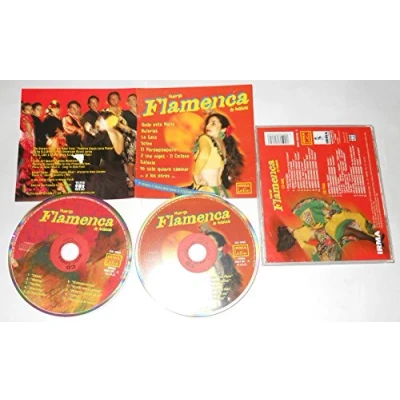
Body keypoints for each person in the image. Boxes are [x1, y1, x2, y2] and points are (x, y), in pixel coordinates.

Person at [276, 197, 381, 261]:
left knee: (349, 231)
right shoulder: (297, 235)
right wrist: (316, 252)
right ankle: (372, 238)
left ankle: (372, 238)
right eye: (286, 228)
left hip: (323, 233)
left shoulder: (298, 235)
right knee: (348, 230)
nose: (288, 226)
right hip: (324, 233)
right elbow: (310, 247)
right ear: (287, 231)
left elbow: (309, 238)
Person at [191, 113, 244, 197]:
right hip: (219, 190)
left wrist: (196, 175)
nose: (208, 126)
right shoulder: (223, 145)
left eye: (213, 123)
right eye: (208, 123)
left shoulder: (204, 138)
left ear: (223, 129)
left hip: (206, 188)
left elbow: (204, 155)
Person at [85, 111, 129, 199]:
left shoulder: (105, 133)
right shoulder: (118, 133)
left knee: (103, 197)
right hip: (119, 169)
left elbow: (89, 145)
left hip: (107, 171)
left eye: (100, 120)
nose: (97, 123)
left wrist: (89, 130)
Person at [121, 93, 138, 191]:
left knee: (138, 162)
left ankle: (136, 180)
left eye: (134, 99)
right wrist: (127, 129)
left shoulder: (144, 112)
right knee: (130, 161)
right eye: (130, 100)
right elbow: (118, 123)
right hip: (130, 140)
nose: (132, 101)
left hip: (143, 140)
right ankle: (130, 180)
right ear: (127, 103)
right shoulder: (125, 113)